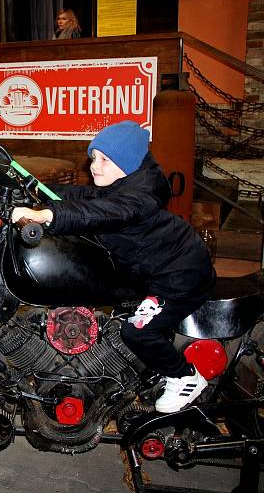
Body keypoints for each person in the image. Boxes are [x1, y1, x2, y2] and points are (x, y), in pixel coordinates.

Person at [11, 120, 215, 413]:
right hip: (152, 267)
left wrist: (46, 216)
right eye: (94, 157)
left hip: (180, 275)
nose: (95, 166)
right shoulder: (121, 181)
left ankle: (184, 377)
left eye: (105, 160)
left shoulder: (139, 197)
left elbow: (99, 212)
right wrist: (33, 189)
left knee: (137, 332)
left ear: (127, 163)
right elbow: (83, 197)